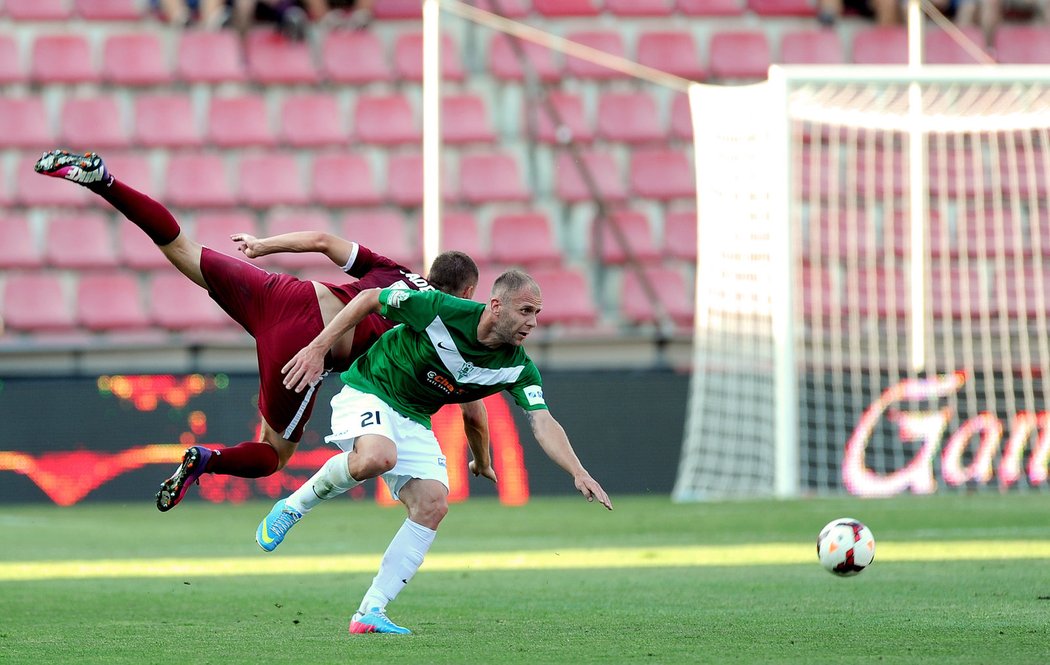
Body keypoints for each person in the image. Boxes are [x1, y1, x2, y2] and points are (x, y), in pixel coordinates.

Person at [32, 149, 488, 513]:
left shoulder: (393, 269)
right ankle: (207, 459)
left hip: (285, 293)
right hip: (306, 344)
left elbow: (324, 242)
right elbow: (471, 407)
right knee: (273, 455)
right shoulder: (442, 321)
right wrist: (481, 460)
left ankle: (106, 183)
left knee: (180, 246)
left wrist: (263, 245)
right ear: (466, 290)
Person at [256, 269, 612, 635]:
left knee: (433, 504)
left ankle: (371, 610)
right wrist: (317, 349)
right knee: (377, 457)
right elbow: (368, 299)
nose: (533, 322)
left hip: (413, 418)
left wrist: (575, 471)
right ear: (495, 306)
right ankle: (292, 507)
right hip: (371, 388)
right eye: (525, 311)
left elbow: (536, 421)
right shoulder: (440, 308)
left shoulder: (517, 367)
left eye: (536, 314)